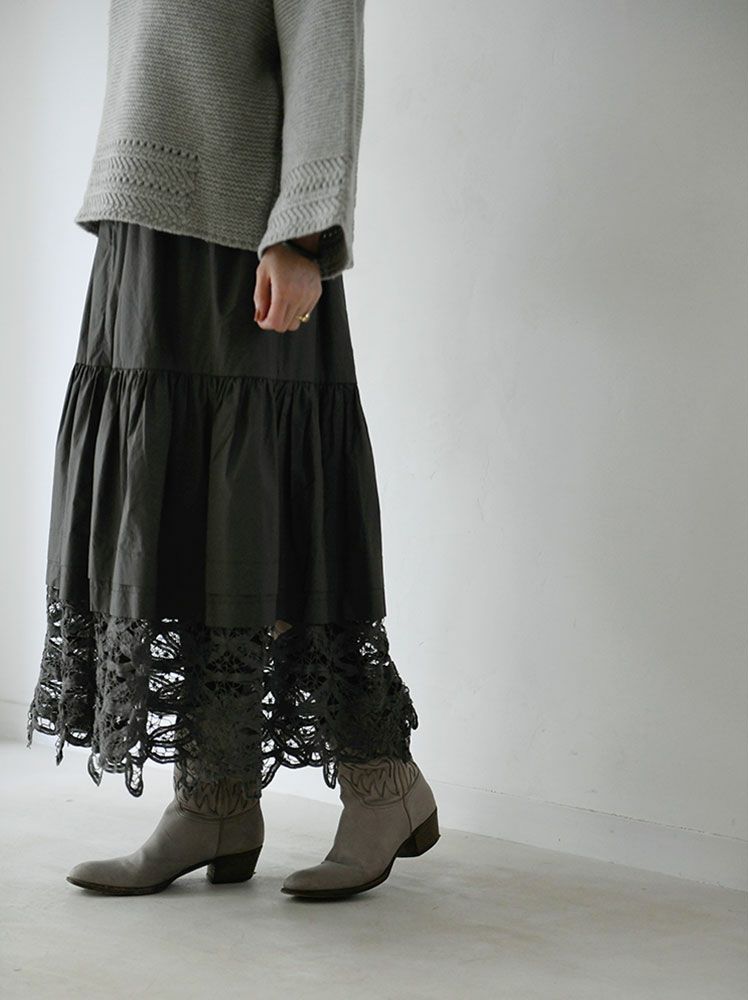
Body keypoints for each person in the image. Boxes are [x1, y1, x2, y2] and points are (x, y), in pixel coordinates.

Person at [25, 0, 440, 899]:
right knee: (172, 511)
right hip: (145, 229)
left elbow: (324, 46)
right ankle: (213, 799)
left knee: (265, 513)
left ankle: (383, 783)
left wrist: (301, 234)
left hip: (241, 235)